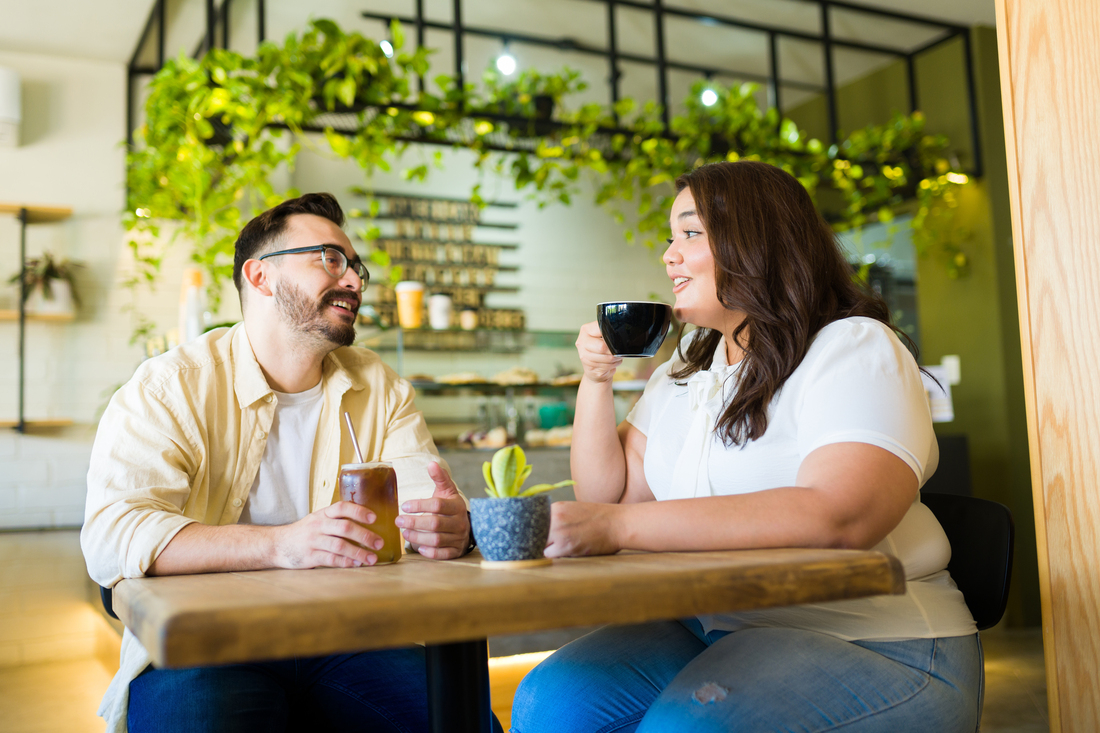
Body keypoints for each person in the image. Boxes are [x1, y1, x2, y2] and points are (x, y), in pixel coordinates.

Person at [510, 161, 982, 733]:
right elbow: (609, 494)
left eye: (689, 233)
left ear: (756, 241)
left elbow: (844, 513)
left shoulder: (851, 347)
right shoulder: (686, 372)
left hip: (876, 637)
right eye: (670, 237)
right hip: (719, 625)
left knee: (685, 728)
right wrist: (595, 379)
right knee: (550, 701)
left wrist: (614, 529)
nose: (668, 255)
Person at [82, 193, 484, 733]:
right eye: (330, 259)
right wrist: (282, 545)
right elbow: (112, 535)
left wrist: (445, 527)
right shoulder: (170, 386)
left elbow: (419, 504)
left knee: (463, 722)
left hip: (347, 637)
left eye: (355, 267)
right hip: (208, 642)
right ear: (260, 276)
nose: (355, 282)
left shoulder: (381, 388)